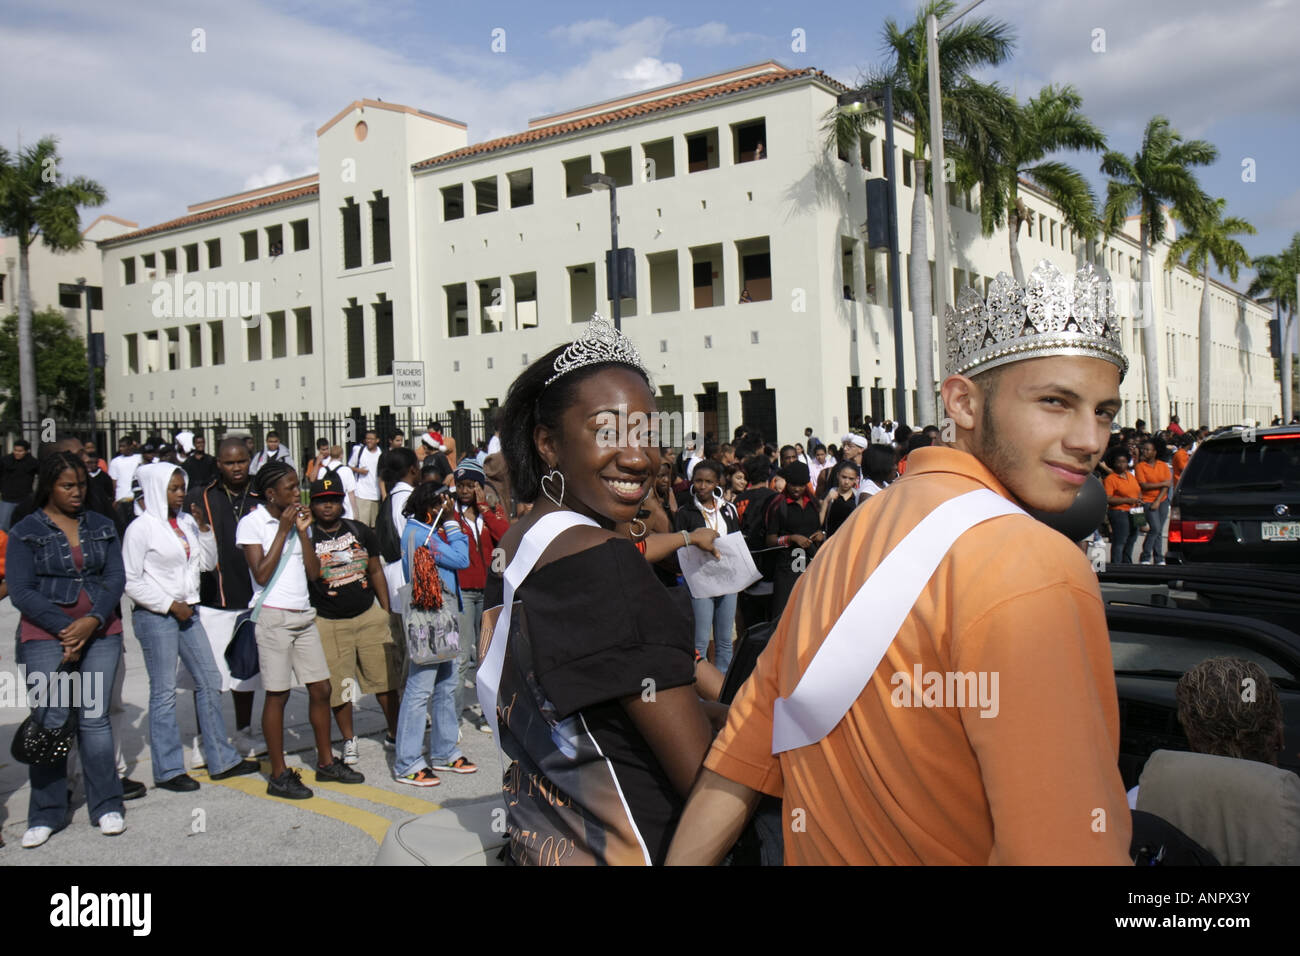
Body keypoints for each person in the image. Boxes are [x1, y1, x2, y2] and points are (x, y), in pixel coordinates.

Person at [668, 261, 1132, 865]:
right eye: (1055, 402)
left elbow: (741, 758)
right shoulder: (1036, 562)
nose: (1090, 439)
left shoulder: (855, 532)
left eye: (1104, 411)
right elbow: (1067, 847)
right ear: (963, 402)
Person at [480, 315, 720, 864]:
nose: (638, 456)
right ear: (548, 443)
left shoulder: (522, 541)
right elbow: (704, 782)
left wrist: (727, 710)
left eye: (645, 433)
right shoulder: (606, 566)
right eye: (606, 431)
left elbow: (605, 712)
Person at [8, 452, 127, 847]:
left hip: (101, 631)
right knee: (52, 719)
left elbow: (114, 577)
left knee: (94, 719)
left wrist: (91, 621)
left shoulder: (102, 524)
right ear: (48, 486)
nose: (77, 493)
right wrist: (66, 629)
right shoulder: (26, 528)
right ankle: (46, 813)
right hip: (45, 636)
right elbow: (21, 590)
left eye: (81, 485)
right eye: (67, 486)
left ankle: (106, 804)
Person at [124, 462, 260, 791]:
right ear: (157, 490)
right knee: (164, 693)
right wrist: (169, 605)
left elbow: (204, 563)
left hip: (190, 611)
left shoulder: (185, 521)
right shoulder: (141, 528)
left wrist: (202, 530)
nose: (180, 494)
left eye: (181, 487)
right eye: (172, 488)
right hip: (157, 615)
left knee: (210, 680)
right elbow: (130, 580)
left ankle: (221, 759)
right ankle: (169, 770)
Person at [236, 460, 363, 798]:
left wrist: (303, 532)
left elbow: (314, 573)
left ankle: (325, 762)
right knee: (277, 694)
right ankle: (279, 774)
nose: (297, 493)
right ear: (270, 493)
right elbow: (261, 575)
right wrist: (282, 530)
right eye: (290, 487)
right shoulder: (252, 524)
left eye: (297, 486)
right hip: (273, 618)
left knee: (321, 689)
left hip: (303, 614)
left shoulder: (298, 524)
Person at [302, 474, 400, 765]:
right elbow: (310, 575)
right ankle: (348, 738)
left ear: (342, 501)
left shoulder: (359, 531)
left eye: (333, 500)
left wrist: (385, 609)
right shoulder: (309, 538)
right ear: (312, 505)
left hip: (368, 614)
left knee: (384, 680)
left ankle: (396, 733)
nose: (328, 507)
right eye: (321, 502)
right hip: (330, 621)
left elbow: (375, 570)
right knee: (340, 685)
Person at [185, 437, 266, 758]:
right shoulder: (200, 497)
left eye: (242, 461)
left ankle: (244, 732)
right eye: (230, 462)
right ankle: (206, 739)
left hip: (251, 598)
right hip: (211, 599)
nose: (236, 468)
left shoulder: (262, 494)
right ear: (218, 464)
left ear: (250, 461)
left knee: (245, 672)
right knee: (208, 675)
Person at [392, 482, 473, 785]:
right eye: (443, 504)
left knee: (447, 683)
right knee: (420, 687)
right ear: (431, 508)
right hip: (431, 617)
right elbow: (462, 559)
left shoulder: (422, 531)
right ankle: (408, 761)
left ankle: (444, 751)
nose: (448, 508)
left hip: (443, 614)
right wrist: (452, 523)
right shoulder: (420, 534)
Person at [449, 459, 508, 733]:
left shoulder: (491, 512)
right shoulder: (449, 515)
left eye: (470, 485)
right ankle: (452, 719)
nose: (464, 490)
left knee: (486, 656)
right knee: (461, 657)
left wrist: (485, 508)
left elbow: (505, 536)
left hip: (488, 591)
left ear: (480, 487)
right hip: (462, 593)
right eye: (460, 485)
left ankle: (489, 714)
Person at [674, 458, 741, 676]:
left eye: (708, 482)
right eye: (698, 481)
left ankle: (722, 691)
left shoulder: (729, 509)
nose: (702, 486)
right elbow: (681, 548)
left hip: (727, 580)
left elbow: (736, 540)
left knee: (724, 641)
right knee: (700, 642)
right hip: (700, 581)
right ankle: (699, 693)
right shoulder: (685, 513)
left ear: (717, 484)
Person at [764, 460, 823, 620]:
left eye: (801, 485)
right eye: (793, 485)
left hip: (811, 565)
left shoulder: (813, 504)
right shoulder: (778, 505)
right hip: (787, 570)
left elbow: (819, 528)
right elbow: (770, 540)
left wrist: (820, 535)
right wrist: (791, 538)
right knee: (784, 615)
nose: (797, 489)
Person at [1136, 438, 1172, 565]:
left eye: (1147, 449)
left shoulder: (1163, 465)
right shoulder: (1140, 467)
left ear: (1154, 452)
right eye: (1143, 449)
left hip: (1162, 500)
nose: (1144, 451)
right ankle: (1145, 556)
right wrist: (1162, 484)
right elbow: (1144, 485)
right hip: (1147, 501)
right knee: (1155, 528)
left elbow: (1167, 485)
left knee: (1159, 530)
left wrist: (1158, 499)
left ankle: (1158, 558)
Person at [1102, 447, 1142, 564]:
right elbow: (1108, 498)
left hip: (1136, 510)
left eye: (1124, 462)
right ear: (1113, 463)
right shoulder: (1111, 479)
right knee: (1120, 539)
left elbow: (1138, 490)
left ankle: (1127, 562)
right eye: (1118, 462)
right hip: (1120, 512)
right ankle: (1117, 564)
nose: (1121, 465)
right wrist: (1127, 500)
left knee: (1133, 537)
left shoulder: (1131, 476)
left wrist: (1139, 499)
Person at [1, 439, 38, 531]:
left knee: (25, 525)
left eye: (20, 451)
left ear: (26, 451)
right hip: (8, 498)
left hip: (24, 498)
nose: (17, 453)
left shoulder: (32, 462)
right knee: (4, 526)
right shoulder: (5, 461)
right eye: (15, 450)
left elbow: (43, 474)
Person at [348, 430, 383, 526]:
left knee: (375, 525)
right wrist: (359, 470)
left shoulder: (381, 453)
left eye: (371, 439)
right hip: (362, 494)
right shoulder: (359, 451)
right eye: (367, 438)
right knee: (362, 524)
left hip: (376, 494)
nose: (368, 441)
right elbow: (349, 466)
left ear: (377, 440)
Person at [820, 461, 861, 538]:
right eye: (844, 477)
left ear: (856, 479)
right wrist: (826, 501)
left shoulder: (857, 497)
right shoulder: (829, 495)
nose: (846, 482)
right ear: (838, 475)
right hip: (830, 540)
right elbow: (819, 522)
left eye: (851, 479)